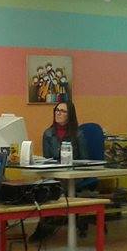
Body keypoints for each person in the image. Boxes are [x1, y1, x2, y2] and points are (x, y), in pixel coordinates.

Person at [31, 101, 89, 241]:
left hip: (73, 174)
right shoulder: (48, 133)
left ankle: (45, 225)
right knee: (41, 188)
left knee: (52, 188)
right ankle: (46, 224)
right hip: (54, 174)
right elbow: (47, 159)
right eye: (57, 110)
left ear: (70, 115)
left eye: (63, 111)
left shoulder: (78, 134)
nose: (58, 113)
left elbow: (85, 159)